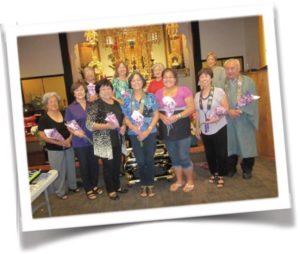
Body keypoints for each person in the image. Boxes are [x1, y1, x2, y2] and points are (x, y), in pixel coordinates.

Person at [86, 79, 128, 200]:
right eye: (103, 89)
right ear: (98, 91)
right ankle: (111, 190)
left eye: (108, 88)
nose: (106, 91)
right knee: (108, 166)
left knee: (116, 164)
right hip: (104, 140)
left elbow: (123, 117)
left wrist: (124, 126)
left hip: (118, 138)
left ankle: (117, 186)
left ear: (112, 90)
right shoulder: (95, 104)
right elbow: (89, 125)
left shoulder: (116, 103)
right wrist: (107, 126)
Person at [155, 68, 195, 192]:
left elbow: (191, 108)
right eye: (165, 77)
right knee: (174, 156)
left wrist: (176, 116)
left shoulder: (184, 90)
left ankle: (190, 180)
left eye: (171, 77)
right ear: (162, 78)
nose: (168, 79)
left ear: (175, 78)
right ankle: (179, 180)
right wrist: (162, 117)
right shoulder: (158, 93)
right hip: (166, 129)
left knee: (183, 156)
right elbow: (155, 111)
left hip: (182, 128)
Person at [122, 72, 159, 197]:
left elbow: (156, 114)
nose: (136, 82)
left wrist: (148, 130)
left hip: (150, 132)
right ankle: (144, 184)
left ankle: (150, 184)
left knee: (149, 159)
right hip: (134, 133)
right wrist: (134, 128)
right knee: (141, 160)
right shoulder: (127, 98)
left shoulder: (151, 96)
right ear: (130, 83)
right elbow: (125, 117)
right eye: (133, 80)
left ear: (143, 82)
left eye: (138, 80)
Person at [65, 81, 103, 200]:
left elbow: (97, 120)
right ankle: (88, 188)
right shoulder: (71, 108)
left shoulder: (91, 104)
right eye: (77, 90)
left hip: (93, 139)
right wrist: (75, 132)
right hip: (80, 142)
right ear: (74, 93)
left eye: (82, 89)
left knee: (94, 164)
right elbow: (69, 124)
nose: (80, 92)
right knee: (84, 165)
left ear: (85, 91)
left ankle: (95, 185)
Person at [38, 92, 80, 200]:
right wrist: (59, 142)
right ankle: (60, 191)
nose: (54, 103)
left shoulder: (64, 112)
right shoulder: (44, 119)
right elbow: (42, 135)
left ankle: (73, 186)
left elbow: (72, 127)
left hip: (68, 145)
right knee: (58, 170)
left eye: (55, 101)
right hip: (55, 149)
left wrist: (69, 139)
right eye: (51, 102)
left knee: (71, 168)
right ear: (46, 105)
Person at [222, 59, 259, 179]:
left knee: (247, 145)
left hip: (244, 118)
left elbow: (251, 98)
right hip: (227, 119)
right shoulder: (221, 83)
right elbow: (217, 101)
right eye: (227, 69)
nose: (230, 71)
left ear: (238, 69)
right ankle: (231, 168)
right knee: (229, 145)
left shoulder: (248, 82)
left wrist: (240, 110)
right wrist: (228, 111)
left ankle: (247, 169)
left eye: (232, 68)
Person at [194, 68, 229, 188]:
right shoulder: (197, 95)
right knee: (209, 153)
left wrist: (217, 118)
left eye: (206, 76)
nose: (204, 78)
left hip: (219, 126)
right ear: (199, 80)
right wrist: (197, 127)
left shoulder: (218, 91)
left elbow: (225, 108)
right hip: (205, 129)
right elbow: (197, 113)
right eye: (201, 77)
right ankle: (213, 173)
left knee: (221, 152)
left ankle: (221, 175)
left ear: (211, 78)